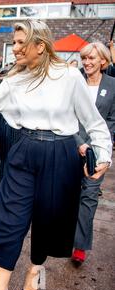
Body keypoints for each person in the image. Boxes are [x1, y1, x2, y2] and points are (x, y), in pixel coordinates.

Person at [0, 20, 112, 290]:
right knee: (8, 219)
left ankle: (34, 272)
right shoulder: (15, 79)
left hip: (61, 154)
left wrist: (103, 155)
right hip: (24, 150)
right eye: (14, 42)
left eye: (20, 43)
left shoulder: (69, 77)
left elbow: (94, 123)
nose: (15, 49)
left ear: (40, 46)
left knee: (49, 222)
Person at [71, 42, 115, 266]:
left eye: (92, 59)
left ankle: (79, 245)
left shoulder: (113, 85)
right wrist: (79, 142)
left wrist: (100, 147)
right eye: (84, 58)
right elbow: (66, 115)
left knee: (88, 197)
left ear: (103, 62)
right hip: (71, 145)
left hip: (97, 152)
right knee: (68, 195)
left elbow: (112, 121)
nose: (87, 62)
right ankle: (63, 235)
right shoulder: (74, 80)